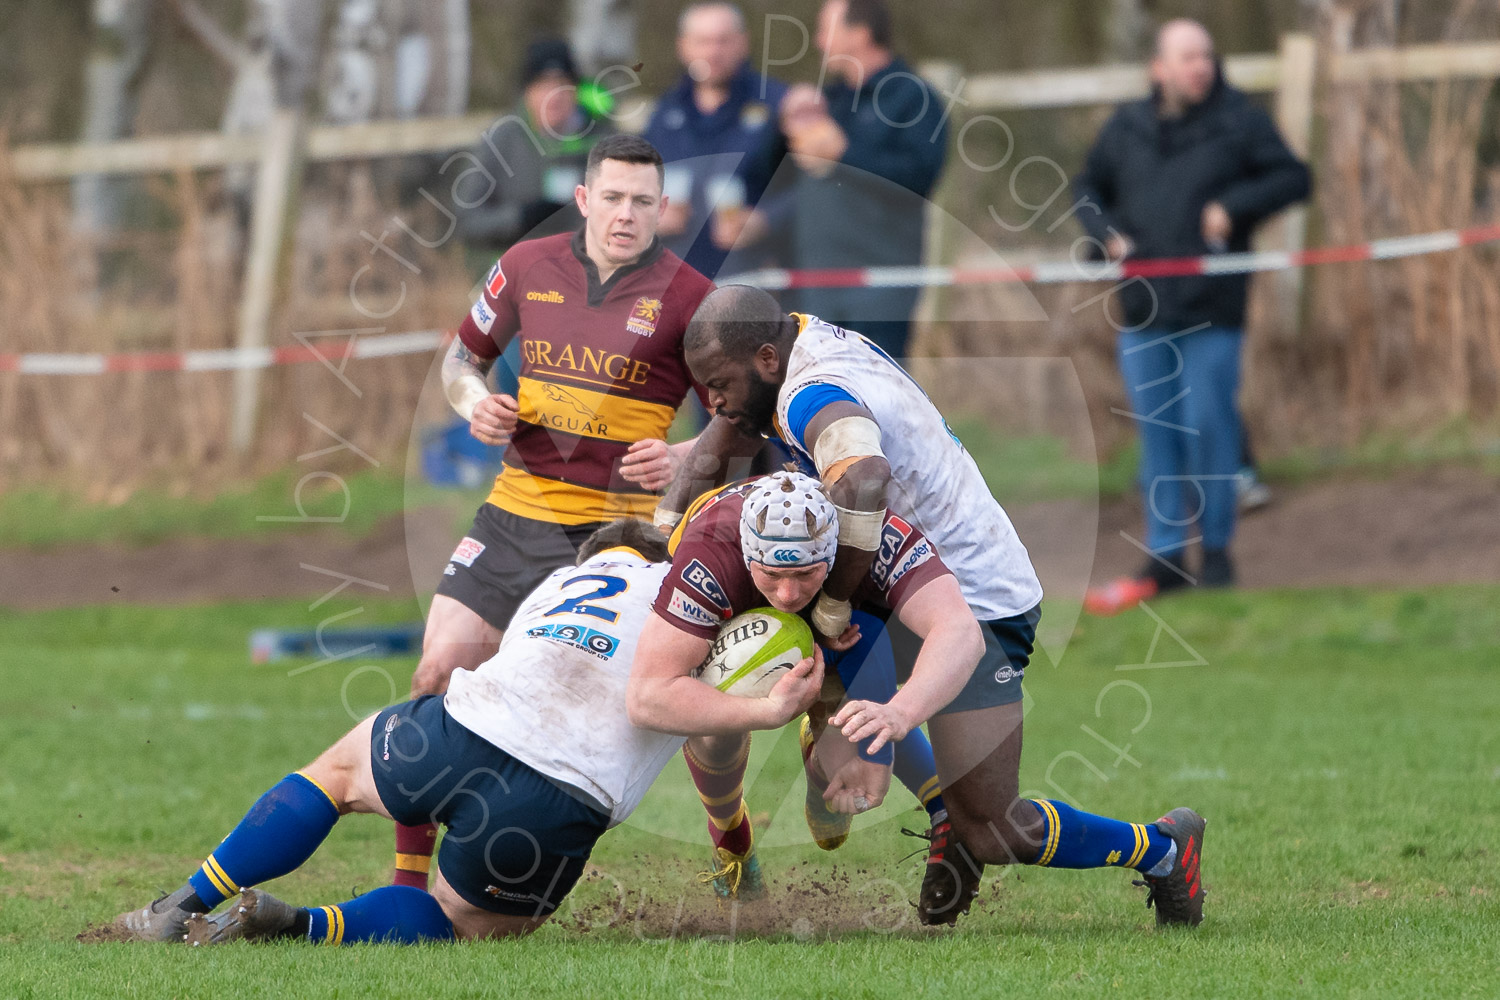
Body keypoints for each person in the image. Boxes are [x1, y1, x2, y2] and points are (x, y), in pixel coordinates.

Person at [649, 286, 1208, 928]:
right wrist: (661, 531)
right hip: (895, 583)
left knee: (995, 829)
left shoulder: (812, 394)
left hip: (975, 603)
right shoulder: (791, 340)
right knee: (769, 652)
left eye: (718, 383)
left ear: (768, 359)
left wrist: (832, 608)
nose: (711, 402)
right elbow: (728, 424)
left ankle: (1163, 848)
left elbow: (863, 479)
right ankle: (906, 795)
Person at [107, 520, 824, 945]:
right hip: (556, 801)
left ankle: (183, 903)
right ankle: (295, 926)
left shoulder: (558, 586)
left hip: (456, 731)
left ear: (596, 558)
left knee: (332, 779)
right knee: (457, 922)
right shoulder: (696, 605)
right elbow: (707, 731)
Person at [394, 134, 715, 890]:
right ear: (583, 199)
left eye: (643, 201)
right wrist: (476, 406)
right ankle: (407, 886)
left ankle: (732, 845)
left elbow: (736, 418)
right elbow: (460, 362)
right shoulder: (524, 266)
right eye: (612, 198)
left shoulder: (695, 297)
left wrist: (679, 457)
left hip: (624, 541)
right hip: (516, 513)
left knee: (684, 707)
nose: (626, 215)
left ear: (663, 209)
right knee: (435, 674)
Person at [630, 472, 961, 903]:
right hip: (726, 607)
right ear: (749, 556)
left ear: (831, 555)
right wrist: (767, 711)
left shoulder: (866, 537)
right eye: (771, 574)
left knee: (858, 644)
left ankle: (826, 753)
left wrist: (877, 750)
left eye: (805, 574)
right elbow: (648, 697)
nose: (786, 593)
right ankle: (732, 841)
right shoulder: (709, 558)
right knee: (713, 729)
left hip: (840, 622)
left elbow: (942, 631)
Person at [1073, 19, 1310, 615]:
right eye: (1186, 57)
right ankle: (1168, 555)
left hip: (1213, 309)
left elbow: (1294, 176)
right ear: (1159, 68)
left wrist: (1234, 207)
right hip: (1142, 307)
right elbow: (1085, 187)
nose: (1200, 66)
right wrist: (1105, 234)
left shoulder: (1241, 122)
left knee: (1208, 422)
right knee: (1158, 433)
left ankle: (1220, 553)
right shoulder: (1126, 127)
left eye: (1206, 55)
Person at [766, 0, 947, 360]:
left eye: (826, 30)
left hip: (881, 285)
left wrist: (845, 154)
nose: (818, 42)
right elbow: (772, 175)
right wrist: (781, 120)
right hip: (815, 282)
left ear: (860, 33)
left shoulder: (913, 97)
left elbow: (918, 179)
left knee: (878, 398)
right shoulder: (828, 100)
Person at [643, 2, 791, 281]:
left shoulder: (778, 105)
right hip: (675, 282)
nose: (713, 52)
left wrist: (766, 220)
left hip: (752, 282)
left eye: (723, 41)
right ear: (683, 47)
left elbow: (810, 186)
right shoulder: (662, 114)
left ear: (743, 43)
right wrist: (651, 216)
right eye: (703, 42)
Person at [456, 38, 616, 252]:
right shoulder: (502, 138)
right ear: (527, 92)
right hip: (518, 267)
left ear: (576, 90)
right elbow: (467, 220)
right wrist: (521, 218)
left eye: (561, 84)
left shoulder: (603, 139)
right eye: (542, 85)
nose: (553, 95)